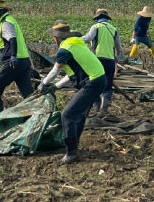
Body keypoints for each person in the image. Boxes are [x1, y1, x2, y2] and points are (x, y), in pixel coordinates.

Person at [38, 21, 106, 164]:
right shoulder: (75, 44)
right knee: (79, 115)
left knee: (67, 115)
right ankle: (73, 147)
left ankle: (70, 152)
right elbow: (71, 74)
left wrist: (43, 84)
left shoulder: (65, 49)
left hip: (92, 82)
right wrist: (56, 86)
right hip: (99, 79)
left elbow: (55, 70)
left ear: (56, 38)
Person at [0, 0, 33, 115]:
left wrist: (12, 56)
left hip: (13, 63)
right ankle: (37, 115)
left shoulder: (5, 23)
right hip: (24, 61)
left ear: (0, 11)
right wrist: (0, 50)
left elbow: (12, 39)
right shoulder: (10, 20)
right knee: (28, 94)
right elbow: (9, 41)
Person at [81, 9, 121, 115]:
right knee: (107, 86)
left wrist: (74, 39)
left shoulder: (96, 27)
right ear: (107, 18)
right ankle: (104, 107)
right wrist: (115, 59)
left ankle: (97, 108)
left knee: (95, 84)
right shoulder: (114, 29)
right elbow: (119, 48)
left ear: (97, 18)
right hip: (110, 61)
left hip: (97, 60)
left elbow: (88, 38)